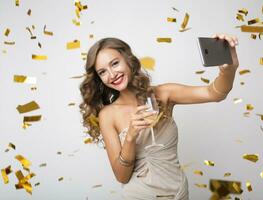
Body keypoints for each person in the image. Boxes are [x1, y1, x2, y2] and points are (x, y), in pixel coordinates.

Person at [79, 34, 239, 200]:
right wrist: (130, 137)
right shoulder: (108, 115)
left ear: (128, 60)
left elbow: (213, 94)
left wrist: (229, 70)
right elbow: (122, 177)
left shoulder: (163, 94)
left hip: (179, 193)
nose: (112, 74)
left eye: (115, 63)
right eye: (103, 72)